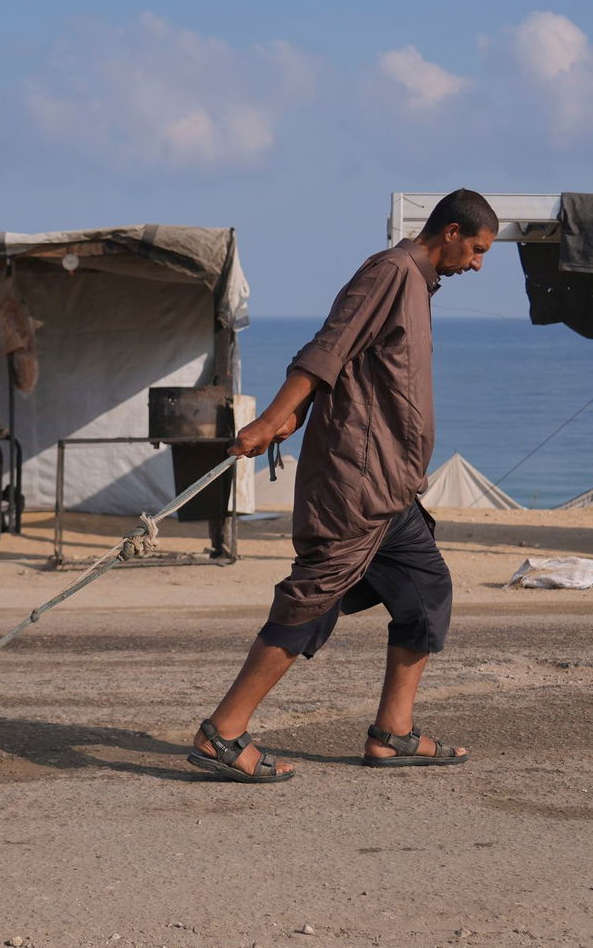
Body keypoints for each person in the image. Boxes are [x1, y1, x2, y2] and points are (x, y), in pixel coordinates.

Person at [187, 189, 499, 783]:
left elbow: (354, 363)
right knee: (313, 600)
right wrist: (273, 418)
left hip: (392, 487)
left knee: (426, 590)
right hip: (357, 483)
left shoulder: (415, 283)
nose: (479, 265)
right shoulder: (392, 271)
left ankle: (393, 734)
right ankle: (221, 734)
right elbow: (327, 350)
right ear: (452, 231)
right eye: (478, 250)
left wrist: (299, 412)